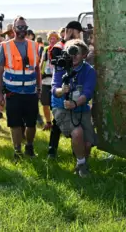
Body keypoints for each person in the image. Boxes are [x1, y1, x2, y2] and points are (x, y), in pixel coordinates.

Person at [0, 16, 41, 159]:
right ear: (14, 29)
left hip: (30, 92)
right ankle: (17, 151)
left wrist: (39, 89)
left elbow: (37, 69)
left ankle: (29, 146)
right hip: (12, 92)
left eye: (24, 27)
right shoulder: (4, 46)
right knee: (14, 123)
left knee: (31, 123)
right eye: (19, 27)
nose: (22, 30)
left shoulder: (35, 46)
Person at [52, 39, 97, 177]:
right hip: (62, 107)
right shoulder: (61, 66)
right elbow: (54, 89)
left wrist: (76, 103)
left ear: (84, 55)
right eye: (71, 52)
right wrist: (61, 90)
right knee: (77, 133)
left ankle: (80, 163)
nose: (74, 56)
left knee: (88, 144)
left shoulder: (89, 71)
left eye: (77, 52)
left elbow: (88, 92)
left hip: (81, 107)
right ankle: (82, 166)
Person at [48, 21, 84, 158]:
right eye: (76, 32)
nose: (78, 35)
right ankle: (52, 149)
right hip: (61, 85)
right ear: (69, 31)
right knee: (58, 120)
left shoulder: (80, 46)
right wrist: (67, 40)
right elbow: (56, 59)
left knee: (76, 119)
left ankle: (77, 151)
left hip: (77, 85)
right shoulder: (59, 45)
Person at [38, 31, 61, 131]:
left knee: (55, 104)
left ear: (57, 40)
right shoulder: (46, 50)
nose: (52, 40)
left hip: (55, 82)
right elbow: (41, 63)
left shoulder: (60, 50)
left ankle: (57, 123)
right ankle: (48, 122)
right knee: (45, 103)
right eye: (50, 39)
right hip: (44, 81)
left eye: (54, 39)